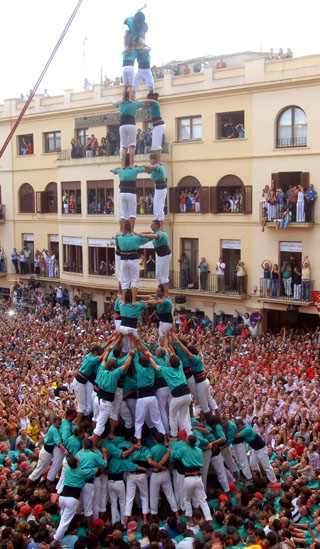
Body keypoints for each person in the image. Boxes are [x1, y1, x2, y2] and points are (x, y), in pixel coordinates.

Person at [171, 435, 212, 523]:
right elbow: (201, 464)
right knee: (203, 500)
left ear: (188, 442)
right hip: (198, 477)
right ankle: (209, 521)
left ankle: (190, 520)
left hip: (189, 478)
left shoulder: (184, 449)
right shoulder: (199, 450)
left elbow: (174, 455)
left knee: (186, 499)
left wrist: (170, 446)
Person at [111, 155, 146, 234]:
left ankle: (122, 231)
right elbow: (145, 169)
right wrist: (138, 166)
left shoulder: (121, 170)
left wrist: (120, 167)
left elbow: (111, 170)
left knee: (123, 213)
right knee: (132, 213)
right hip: (131, 193)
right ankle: (132, 231)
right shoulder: (134, 170)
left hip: (122, 193)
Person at [136, 220, 171, 296]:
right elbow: (148, 233)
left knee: (164, 275)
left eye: (152, 225)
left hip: (164, 255)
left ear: (156, 226)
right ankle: (161, 291)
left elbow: (153, 236)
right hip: (159, 255)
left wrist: (141, 235)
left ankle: (166, 294)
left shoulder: (161, 234)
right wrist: (137, 234)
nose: (150, 226)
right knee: (158, 275)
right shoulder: (155, 232)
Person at [115, 223, 149, 304]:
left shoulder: (119, 237)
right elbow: (146, 239)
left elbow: (117, 243)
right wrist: (138, 233)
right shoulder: (136, 237)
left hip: (123, 260)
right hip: (133, 259)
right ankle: (133, 300)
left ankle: (124, 300)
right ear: (132, 229)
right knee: (134, 280)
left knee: (124, 281)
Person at [113, 93, 148, 168]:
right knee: (132, 146)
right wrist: (135, 100)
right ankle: (131, 164)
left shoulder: (120, 104)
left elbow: (113, 103)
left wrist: (120, 101)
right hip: (131, 124)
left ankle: (122, 164)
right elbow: (142, 103)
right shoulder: (134, 104)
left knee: (124, 146)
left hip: (122, 125)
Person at [142, 154, 167, 229]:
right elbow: (146, 170)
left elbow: (152, 167)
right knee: (155, 206)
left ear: (155, 160)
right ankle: (157, 223)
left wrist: (143, 165)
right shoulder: (153, 169)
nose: (150, 161)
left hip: (161, 189)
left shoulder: (159, 167)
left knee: (159, 206)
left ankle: (161, 226)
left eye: (151, 160)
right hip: (158, 189)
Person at [146, 92, 165, 163]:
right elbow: (144, 106)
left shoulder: (156, 103)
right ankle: (156, 159)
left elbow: (150, 101)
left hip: (159, 125)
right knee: (154, 144)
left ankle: (159, 161)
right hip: (156, 126)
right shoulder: (150, 106)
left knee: (157, 144)